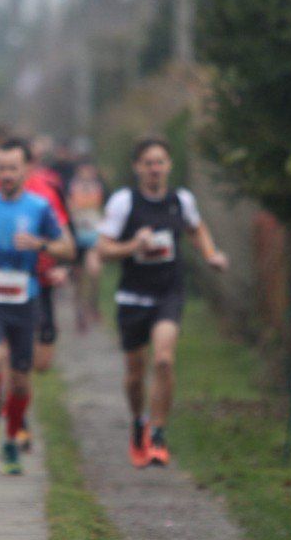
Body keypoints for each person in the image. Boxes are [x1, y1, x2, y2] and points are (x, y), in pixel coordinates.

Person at [94, 135, 228, 468]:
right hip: (132, 295)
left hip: (169, 292)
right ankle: (138, 421)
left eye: (160, 162)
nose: (155, 169)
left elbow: (196, 229)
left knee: (164, 360)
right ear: (137, 168)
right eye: (148, 163)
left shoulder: (181, 200)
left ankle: (158, 433)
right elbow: (103, 249)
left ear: (169, 166)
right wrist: (132, 247)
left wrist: (210, 255)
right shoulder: (124, 202)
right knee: (135, 373)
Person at [0, 137, 75, 471]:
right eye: (1, 168)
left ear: (26, 170)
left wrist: (41, 245)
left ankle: (10, 441)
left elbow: (68, 248)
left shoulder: (39, 207)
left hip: (25, 299)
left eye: (12, 168)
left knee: (21, 381)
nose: (6, 174)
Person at [66, 160, 108, 333]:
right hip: (77, 238)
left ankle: (93, 306)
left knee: (94, 271)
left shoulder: (101, 187)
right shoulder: (72, 187)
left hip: (93, 238)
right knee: (78, 279)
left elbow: (108, 209)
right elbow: (67, 208)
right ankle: (80, 314)